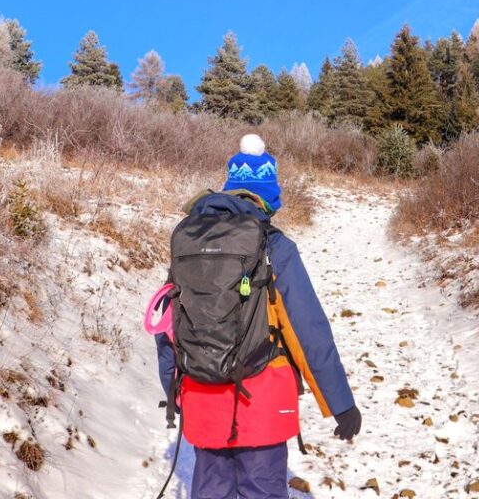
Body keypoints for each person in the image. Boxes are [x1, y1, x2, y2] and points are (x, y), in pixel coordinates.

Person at [154, 134, 361, 499]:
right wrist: (340, 403)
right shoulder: (274, 246)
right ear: (269, 193)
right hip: (262, 400)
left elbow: (169, 325)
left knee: (210, 489)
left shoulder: (190, 240)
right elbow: (307, 330)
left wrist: (173, 388)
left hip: (201, 394)